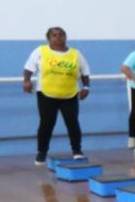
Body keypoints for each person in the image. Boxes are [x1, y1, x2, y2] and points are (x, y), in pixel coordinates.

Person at [22, 26, 91, 164]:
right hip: (46, 94)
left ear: (65, 37)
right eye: (54, 35)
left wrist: (86, 87)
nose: (58, 37)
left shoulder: (75, 54)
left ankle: (77, 151)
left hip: (69, 94)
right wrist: (27, 81)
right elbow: (28, 68)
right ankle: (41, 153)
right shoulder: (40, 51)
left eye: (61, 34)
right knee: (46, 124)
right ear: (49, 38)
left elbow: (85, 72)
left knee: (73, 123)